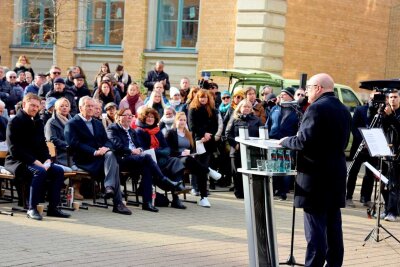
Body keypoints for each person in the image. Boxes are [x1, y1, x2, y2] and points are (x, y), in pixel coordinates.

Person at [279, 73, 351, 266]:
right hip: (335, 174)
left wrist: (285, 141)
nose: (307, 91)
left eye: (309, 87)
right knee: (334, 227)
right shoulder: (343, 109)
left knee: (316, 229)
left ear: (318, 88)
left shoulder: (317, 108)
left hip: (316, 177)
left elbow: (304, 141)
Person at [5, 93, 70, 220]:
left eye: (37, 106)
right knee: (39, 172)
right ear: (24, 104)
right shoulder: (14, 122)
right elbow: (14, 149)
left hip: (37, 160)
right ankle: (32, 208)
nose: (35, 109)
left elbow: (42, 145)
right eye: (32, 105)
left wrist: (47, 159)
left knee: (58, 171)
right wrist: (34, 161)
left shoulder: (38, 122)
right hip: (18, 161)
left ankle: (53, 208)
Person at [64, 96, 132, 215]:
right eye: (88, 106)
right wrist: (94, 151)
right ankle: (117, 201)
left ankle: (110, 188)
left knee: (111, 155)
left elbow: (107, 140)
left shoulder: (97, 123)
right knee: (114, 164)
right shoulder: (72, 123)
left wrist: (106, 148)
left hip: (101, 159)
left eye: (93, 106)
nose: (91, 109)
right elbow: (74, 144)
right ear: (80, 107)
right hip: (84, 160)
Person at [107, 108, 181, 212]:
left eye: (130, 115)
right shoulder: (113, 128)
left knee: (147, 168)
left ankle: (147, 203)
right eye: (126, 115)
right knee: (147, 157)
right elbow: (116, 146)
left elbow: (140, 146)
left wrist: (139, 149)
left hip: (136, 159)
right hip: (123, 159)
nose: (129, 117)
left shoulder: (132, 131)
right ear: (119, 117)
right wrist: (132, 151)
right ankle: (163, 179)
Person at [135, 107, 188, 209]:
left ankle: (176, 197)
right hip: (149, 160)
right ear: (143, 118)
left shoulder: (157, 131)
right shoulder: (139, 131)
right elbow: (144, 149)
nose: (150, 119)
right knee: (171, 165)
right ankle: (176, 189)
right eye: (148, 117)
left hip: (161, 160)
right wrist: (159, 151)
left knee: (176, 161)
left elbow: (167, 148)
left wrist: (158, 151)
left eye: (152, 117)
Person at [166, 112, 220, 207]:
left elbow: (192, 149)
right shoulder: (170, 133)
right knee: (191, 161)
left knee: (200, 170)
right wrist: (181, 153)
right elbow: (168, 150)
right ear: (176, 121)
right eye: (180, 120)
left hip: (189, 159)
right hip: (176, 159)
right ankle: (209, 170)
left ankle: (204, 198)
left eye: (184, 120)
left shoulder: (188, 133)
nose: (182, 122)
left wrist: (199, 143)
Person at [44, 97, 83, 200]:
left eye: (66, 106)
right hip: (60, 154)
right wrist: (68, 145)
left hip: (74, 152)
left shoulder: (73, 121)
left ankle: (75, 188)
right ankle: (70, 189)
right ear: (55, 108)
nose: (64, 108)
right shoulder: (51, 122)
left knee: (86, 163)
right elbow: (51, 139)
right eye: (61, 106)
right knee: (76, 167)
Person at [266, 87, 300, 200]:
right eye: (280, 95)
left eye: (284, 95)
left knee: (285, 167)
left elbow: (299, 129)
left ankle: (283, 192)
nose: (280, 97)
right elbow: (268, 124)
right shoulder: (274, 108)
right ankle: (274, 189)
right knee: (274, 166)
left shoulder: (296, 111)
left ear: (291, 97)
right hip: (273, 141)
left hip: (287, 143)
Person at [346, 93, 379, 208]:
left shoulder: (380, 112)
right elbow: (353, 127)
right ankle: (348, 197)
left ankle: (366, 198)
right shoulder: (360, 109)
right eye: (373, 97)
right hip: (359, 146)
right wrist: (362, 140)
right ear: (369, 98)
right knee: (353, 172)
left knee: (370, 174)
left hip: (372, 148)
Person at [226, 99, 262, 198]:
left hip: (251, 151)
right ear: (239, 107)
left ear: (251, 109)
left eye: (248, 107)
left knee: (249, 174)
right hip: (236, 151)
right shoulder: (234, 119)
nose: (246, 108)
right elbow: (228, 134)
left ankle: (249, 193)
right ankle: (239, 193)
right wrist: (235, 144)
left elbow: (261, 135)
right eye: (244, 106)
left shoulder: (257, 120)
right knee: (236, 173)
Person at [380, 89, 400, 222]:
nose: (392, 99)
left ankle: (393, 212)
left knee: (394, 184)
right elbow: (382, 128)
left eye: (395, 97)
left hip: (397, 154)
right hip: (385, 151)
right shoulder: (386, 112)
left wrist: (391, 117)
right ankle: (387, 208)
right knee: (383, 183)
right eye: (390, 97)